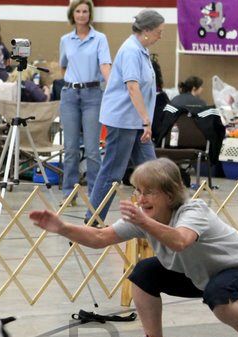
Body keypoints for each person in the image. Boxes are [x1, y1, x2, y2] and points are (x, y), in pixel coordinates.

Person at [30, 158, 238, 337]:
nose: (140, 199)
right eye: (137, 191)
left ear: (170, 194)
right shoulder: (143, 217)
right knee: (144, 273)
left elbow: (180, 241)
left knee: (219, 292)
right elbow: (100, 238)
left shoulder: (194, 210)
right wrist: (62, 228)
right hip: (198, 274)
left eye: (149, 192)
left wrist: (143, 221)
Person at [86, 9, 165, 224]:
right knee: (112, 172)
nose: (161, 36)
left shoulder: (142, 50)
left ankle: (158, 219)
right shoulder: (131, 50)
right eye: (159, 32)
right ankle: (93, 220)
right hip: (124, 121)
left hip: (136, 122)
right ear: (146, 31)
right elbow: (132, 87)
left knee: (153, 172)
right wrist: (145, 120)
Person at [59, 0, 112, 205]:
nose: (82, 15)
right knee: (70, 148)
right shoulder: (65, 39)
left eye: (85, 11)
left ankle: (94, 193)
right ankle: (68, 193)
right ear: (73, 15)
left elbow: (105, 65)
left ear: (90, 15)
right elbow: (63, 66)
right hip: (70, 95)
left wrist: (113, 86)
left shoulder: (100, 38)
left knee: (92, 149)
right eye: (78, 11)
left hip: (93, 95)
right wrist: (73, 81)